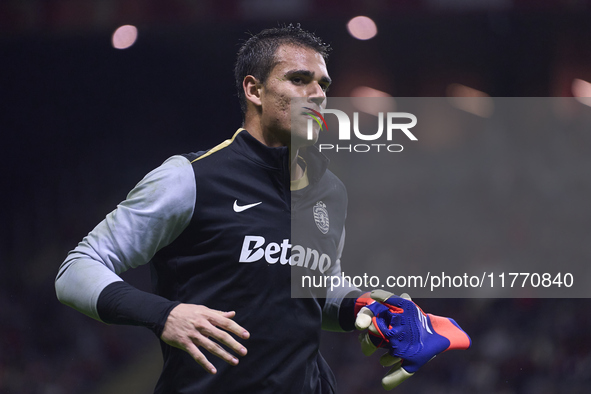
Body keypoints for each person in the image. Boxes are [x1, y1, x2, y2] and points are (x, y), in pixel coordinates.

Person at [56, 24, 470, 393]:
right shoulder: (190, 178)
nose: (318, 95)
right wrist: (164, 314)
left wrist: (368, 306)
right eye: (299, 79)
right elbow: (77, 269)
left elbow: (315, 291)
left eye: (323, 84)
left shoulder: (330, 191)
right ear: (254, 90)